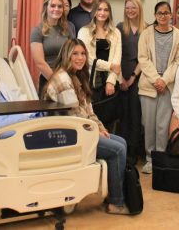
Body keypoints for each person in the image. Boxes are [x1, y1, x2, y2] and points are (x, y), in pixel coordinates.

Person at [42, 38, 129, 215]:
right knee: (118, 150)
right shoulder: (63, 79)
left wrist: (101, 128)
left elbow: (88, 110)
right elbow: (75, 118)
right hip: (68, 136)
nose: (80, 58)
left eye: (82, 54)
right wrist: (95, 132)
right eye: (75, 54)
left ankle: (113, 194)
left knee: (121, 142)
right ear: (67, 55)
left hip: (80, 131)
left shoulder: (77, 76)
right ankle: (116, 203)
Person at [138, 1, 179, 174]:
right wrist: (156, 79)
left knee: (162, 125)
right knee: (149, 124)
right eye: (159, 13)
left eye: (166, 13)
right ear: (155, 15)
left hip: (168, 86)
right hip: (149, 85)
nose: (163, 16)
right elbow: (143, 59)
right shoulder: (146, 33)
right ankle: (150, 159)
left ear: (171, 14)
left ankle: (160, 159)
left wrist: (164, 80)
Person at [78, 0, 121, 128]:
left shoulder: (115, 32)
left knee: (108, 121)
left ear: (109, 13)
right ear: (94, 12)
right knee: (90, 121)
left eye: (106, 10)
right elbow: (86, 58)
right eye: (99, 9)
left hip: (109, 84)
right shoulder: (84, 31)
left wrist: (111, 81)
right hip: (89, 82)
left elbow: (117, 60)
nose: (102, 12)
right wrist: (109, 66)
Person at [116, 0, 147, 164]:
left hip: (139, 76)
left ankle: (134, 151)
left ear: (139, 8)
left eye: (133, 7)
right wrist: (122, 79)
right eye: (127, 8)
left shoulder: (147, 29)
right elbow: (115, 54)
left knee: (136, 114)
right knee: (123, 114)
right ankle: (123, 149)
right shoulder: (120, 28)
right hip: (121, 74)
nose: (130, 11)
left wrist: (133, 77)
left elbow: (145, 57)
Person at [30, 0, 75, 97]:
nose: (57, 9)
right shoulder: (37, 31)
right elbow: (39, 62)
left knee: (67, 112)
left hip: (68, 78)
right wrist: (57, 82)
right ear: (46, 8)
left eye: (60, 6)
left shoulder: (68, 29)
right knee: (50, 113)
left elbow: (73, 53)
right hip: (48, 79)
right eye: (53, 6)